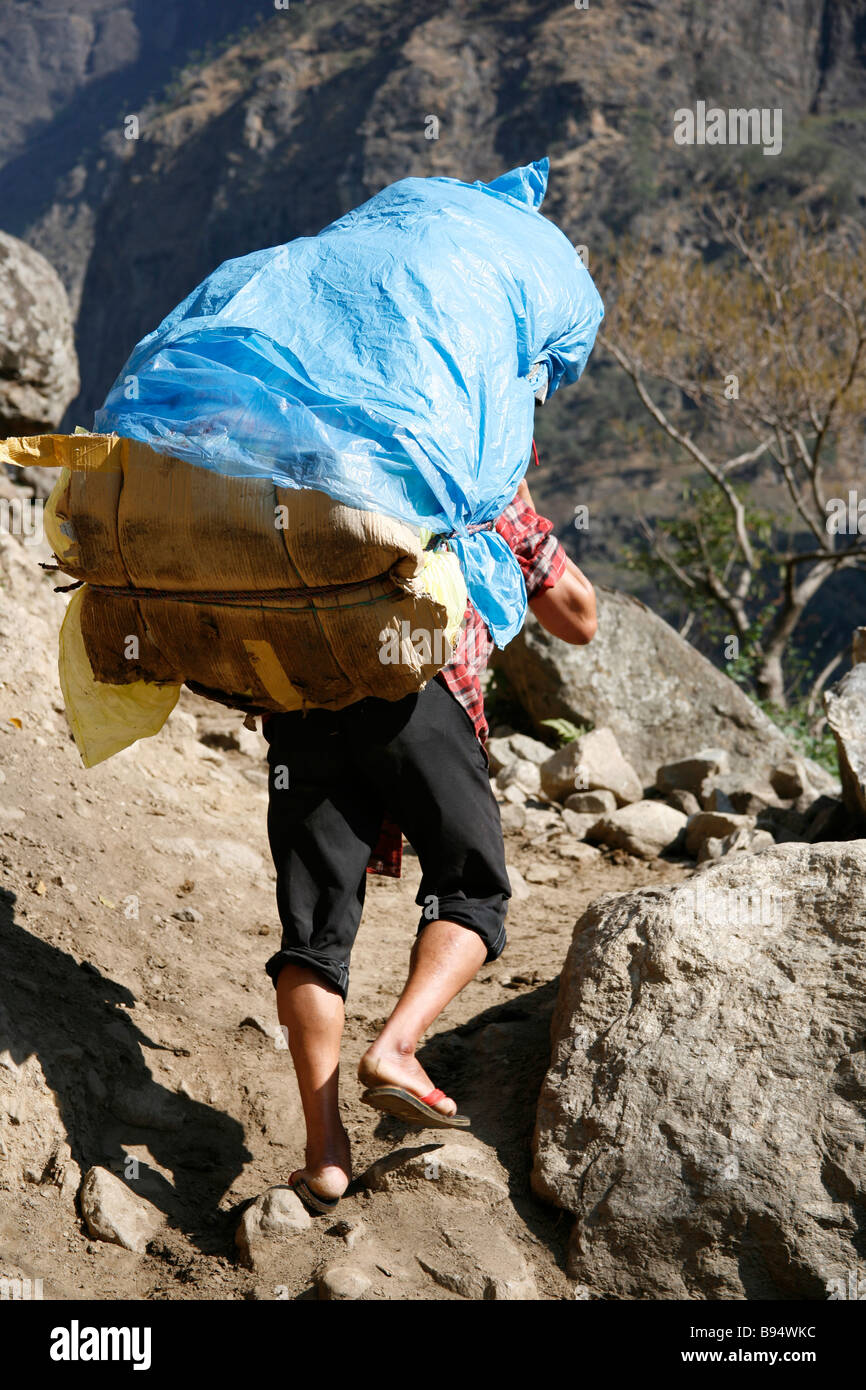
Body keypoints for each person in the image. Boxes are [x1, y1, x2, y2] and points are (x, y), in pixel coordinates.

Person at [261, 464, 597, 1213]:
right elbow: (579, 615)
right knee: (472, 889)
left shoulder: (303, 446)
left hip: (302, 694)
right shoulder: (470, 455)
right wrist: (524, 507)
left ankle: (325, 1156)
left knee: (312, 932)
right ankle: (398, 1047)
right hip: (417, 684)